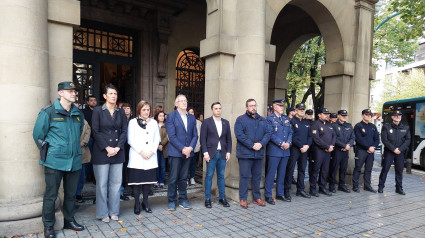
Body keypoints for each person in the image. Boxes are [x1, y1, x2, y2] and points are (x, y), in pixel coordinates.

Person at [33, 81, 85, 238]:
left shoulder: (78, 113)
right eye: (70, 91)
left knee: (70, 194)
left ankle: (69, 219)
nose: (74, 93)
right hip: (54, 162)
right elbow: (38, 136)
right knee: (51, 194)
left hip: (74, 161)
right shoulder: (48, 112)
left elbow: (80, 130)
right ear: (60, 93)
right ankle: (48, 226)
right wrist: (51, 152)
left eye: (75, 91)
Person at [91, 84, 128, 223]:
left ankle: (114, 211)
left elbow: (124, 131)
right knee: (101, 184)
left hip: (118, 152)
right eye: (111, 94)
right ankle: (102, 213)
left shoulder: (121, 112)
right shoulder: (98, 111)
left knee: (116, 184)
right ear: (105, 96)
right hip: (102, 151)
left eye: (115, 94)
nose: (113, 96)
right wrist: (107, 147)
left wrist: (118, 148)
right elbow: (95, 131)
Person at [234, 99, 271, 209]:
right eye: (251, 106)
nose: (253, 108)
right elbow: (239, 135)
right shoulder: (240, 119)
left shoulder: (263, 120)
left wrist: (261, 143)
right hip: (245, 153)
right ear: (246, 107)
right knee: (244, 176)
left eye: (255, 105)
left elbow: (268, 133)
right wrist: (252, 145)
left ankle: (257, 197)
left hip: (258, 153)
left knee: (257, 177)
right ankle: (243, 199)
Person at [165, 95, 198, 211]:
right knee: (173, 178)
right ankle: (171, 201)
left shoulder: (192, 118)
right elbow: (172, 136)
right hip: (175, 152)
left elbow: (195, 135)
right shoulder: (171, 117)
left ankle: (183, 200)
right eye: (181, 101)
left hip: (188, 153)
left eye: (185, 100)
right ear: (176, 104)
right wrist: (183, 149)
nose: (184, 103)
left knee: (184, 178)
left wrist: (190, 148)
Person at [127, 100, 160, 214]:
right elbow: (130, 139)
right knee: (137, 182)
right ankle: (136, 203)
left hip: (150, 156)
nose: (146, 112)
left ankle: (145, 202)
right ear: (139, 110)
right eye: (144, 109)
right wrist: (141, 152)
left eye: (148, 110)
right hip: (137, 156)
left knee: (147, 182)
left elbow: (157, 139)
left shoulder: (154, 123)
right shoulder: (132, 122)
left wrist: (151, 151)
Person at [201, 102, 232, 208]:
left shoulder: (226, 123)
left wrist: (228, 152)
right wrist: (205, 153)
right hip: (211, 154)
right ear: (212, 110)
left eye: (219, 108)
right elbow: (203, 139)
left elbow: (229, 139)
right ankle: (207, 199)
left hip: (222, 154)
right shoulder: (206, 122)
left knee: (221, 176)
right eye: (216, 108)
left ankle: (222, 198)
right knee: (209, 176)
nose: (218, 110)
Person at [265, 99, 292, 205]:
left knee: (282, 174)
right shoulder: (269, 118)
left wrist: (288, 143)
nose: (282, 107)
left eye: (282, 105)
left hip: (285, 151)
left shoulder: (285, 118)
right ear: (274, 106)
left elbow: (290, 132)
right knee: (271, 174)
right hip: (275, 151)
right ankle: (268, 195)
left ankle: (280, 194)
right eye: (279, 105)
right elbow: (270, 134)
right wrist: (281, 143)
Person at [378, 110, 411, 195]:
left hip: (400, 152)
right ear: (392, 117)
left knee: (399, 170)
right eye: (396, 115)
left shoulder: (405, 127)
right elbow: (384, 140)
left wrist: (400, 149)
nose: (398, 116)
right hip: (389, 152)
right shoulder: (386, 126)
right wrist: (393, 149)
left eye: (399, 115)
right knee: (385, 169)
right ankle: (381, 187)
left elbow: (408, 140)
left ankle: (399, 188)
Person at [285, 103, 312, 200]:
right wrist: (301, 146)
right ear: (295, 111)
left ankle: (300, 190)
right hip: (295, 149)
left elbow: (310, 136)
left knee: (302, 170)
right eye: (300, 109)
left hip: (304, 150)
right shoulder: (291, 121)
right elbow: (292, 136)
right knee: (290, 170)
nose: (302, 110)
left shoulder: (306, 122)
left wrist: (307, 146)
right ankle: (286, 191)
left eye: (303, 109)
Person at [309, 108, 336, 197]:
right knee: (315, 170)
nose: (326, 115)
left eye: (327, 114)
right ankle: (313, 189)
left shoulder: (329, 125)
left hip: (328, 151)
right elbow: (316, 138)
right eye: (324, 114)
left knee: (325, 170)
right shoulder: (315, 124)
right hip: (318, 151)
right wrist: (327, 146)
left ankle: (322, 187)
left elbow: (334, 136)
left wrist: (331, 146)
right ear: (319, 115)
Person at [352, 109, 380, 193]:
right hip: (361, 150)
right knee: (358, 168)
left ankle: (367, 186)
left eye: (370, 115)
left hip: (371, 151)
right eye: (367, 115)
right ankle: (355, 186)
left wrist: (373, 147)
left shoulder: (373, 126)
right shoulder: (358, 126)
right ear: (363, 115)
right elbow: (358, 139)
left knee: (368, 169)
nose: (369, 116)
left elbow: (377, 139)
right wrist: (368, 147)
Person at [329, 109, 354, 193]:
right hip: (337, 150)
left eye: (345, 115)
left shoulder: (349, 126)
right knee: (334, 168)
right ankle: (331, 185)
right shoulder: (333, 125)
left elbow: (352, 137)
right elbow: (334, 138)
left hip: (346, 150)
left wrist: (348, 145)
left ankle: (342, 185)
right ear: (338, 116)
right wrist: (344, 145)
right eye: (343, 115)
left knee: (343, 168)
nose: (344, 117)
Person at [75, 119, 92, 203]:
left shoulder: (83, 120)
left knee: (81, 176)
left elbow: (88, 131)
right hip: (68, 152)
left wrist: (84, 142)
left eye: (77, 104)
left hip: (82, 151)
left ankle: (78, 193)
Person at [119, 102, 133, 201]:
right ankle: (122, 188)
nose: (126, 110)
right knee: (122, 167)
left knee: (132, 166)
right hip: (122, 146)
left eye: (128, 108)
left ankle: (133, 186)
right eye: (124, 108)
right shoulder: (119, 119)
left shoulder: (134, 120)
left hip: (132, 147)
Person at [83, 96, 97, 184]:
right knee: (88, 157)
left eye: (95, 100)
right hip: (89, 138)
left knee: (96, 158)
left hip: (98, 138)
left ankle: (95, 176)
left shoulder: (99, 111)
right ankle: (89, 175)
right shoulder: (84, 112)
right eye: (91, 100)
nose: (93, 102)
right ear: (87, 102)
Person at [154, 110, 168, 188]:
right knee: (156, 165)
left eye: (163, 116)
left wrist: (161, 144)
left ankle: (161, 181)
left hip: (164, 148)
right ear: (157, 117)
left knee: (162, 165)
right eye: (160, 116)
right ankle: (156, 180)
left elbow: (167, 137)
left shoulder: (167, 126)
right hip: (155, 148)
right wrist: (157, 145)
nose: (162, 117)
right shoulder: (154, 125)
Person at [188, 107, 201, 185]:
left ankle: (192, 177)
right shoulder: (185, 121)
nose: (191, 113)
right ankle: (185, 177)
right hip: (186, 147)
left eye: (192, 112)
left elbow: (200, 134)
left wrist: (200, 144)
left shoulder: (198, 123)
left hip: (195, 146)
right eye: (189, 112)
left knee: (193, 163)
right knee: (186, 164)